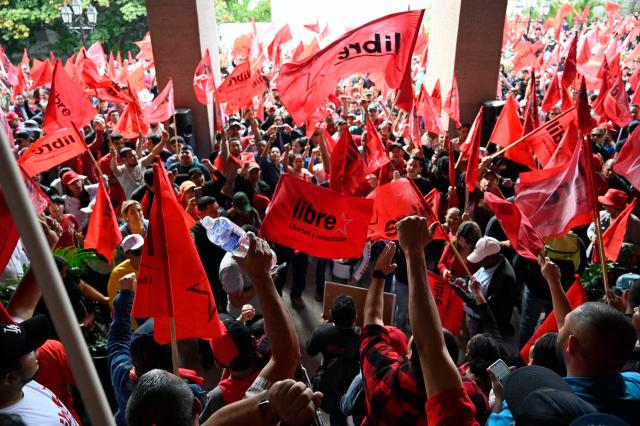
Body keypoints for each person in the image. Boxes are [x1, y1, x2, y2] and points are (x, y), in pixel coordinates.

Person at [541, 258, 640, 423]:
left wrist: (499, 404)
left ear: (571, 345)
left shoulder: (547, 405)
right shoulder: (636, 382)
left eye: (564, 325)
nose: (560, 327)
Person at [359, 242, 428, 425]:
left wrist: (379, 274)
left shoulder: (384, 373)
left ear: (409, 355)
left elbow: (372, 320)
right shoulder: (453, 406)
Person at [0, 315, 80, 426]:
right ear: (10, 378)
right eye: (30, 351)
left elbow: (22, 309)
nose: (37, 352)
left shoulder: (22, 384)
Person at [306, 295, 360, 425]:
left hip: (327, 382)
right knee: (339, 417)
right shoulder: (361, 336)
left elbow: (310, 350)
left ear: (331, 314)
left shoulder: (322, 332)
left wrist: (322, 328)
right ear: (355, 318)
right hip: (350, 386)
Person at [464, 236, 518, 337]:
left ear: (491, 257)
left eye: (481, 259)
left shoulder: (504, 280)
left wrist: (465, 296)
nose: (478, 262)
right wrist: (464, 281)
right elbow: (479, 276)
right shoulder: (490, 264)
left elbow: (489, 311)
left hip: (484, 326)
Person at [191, 196, 228, 314]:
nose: (217, 214)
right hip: (210, 280)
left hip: (226, 274)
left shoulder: (223, 224)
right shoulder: (195, 233)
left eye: (218, 209)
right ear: (201, 213)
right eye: (212, 212)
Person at [110, 132, 167, 199]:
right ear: (124, 159)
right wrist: (113, 157)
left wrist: (163, 141)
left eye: (135, 155)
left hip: (147, 200)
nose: (135, 158)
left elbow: (153, 153)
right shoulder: (122, 171)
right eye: (131, 157)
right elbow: (114, 168)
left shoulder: (142, 163)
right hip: (133, 202)